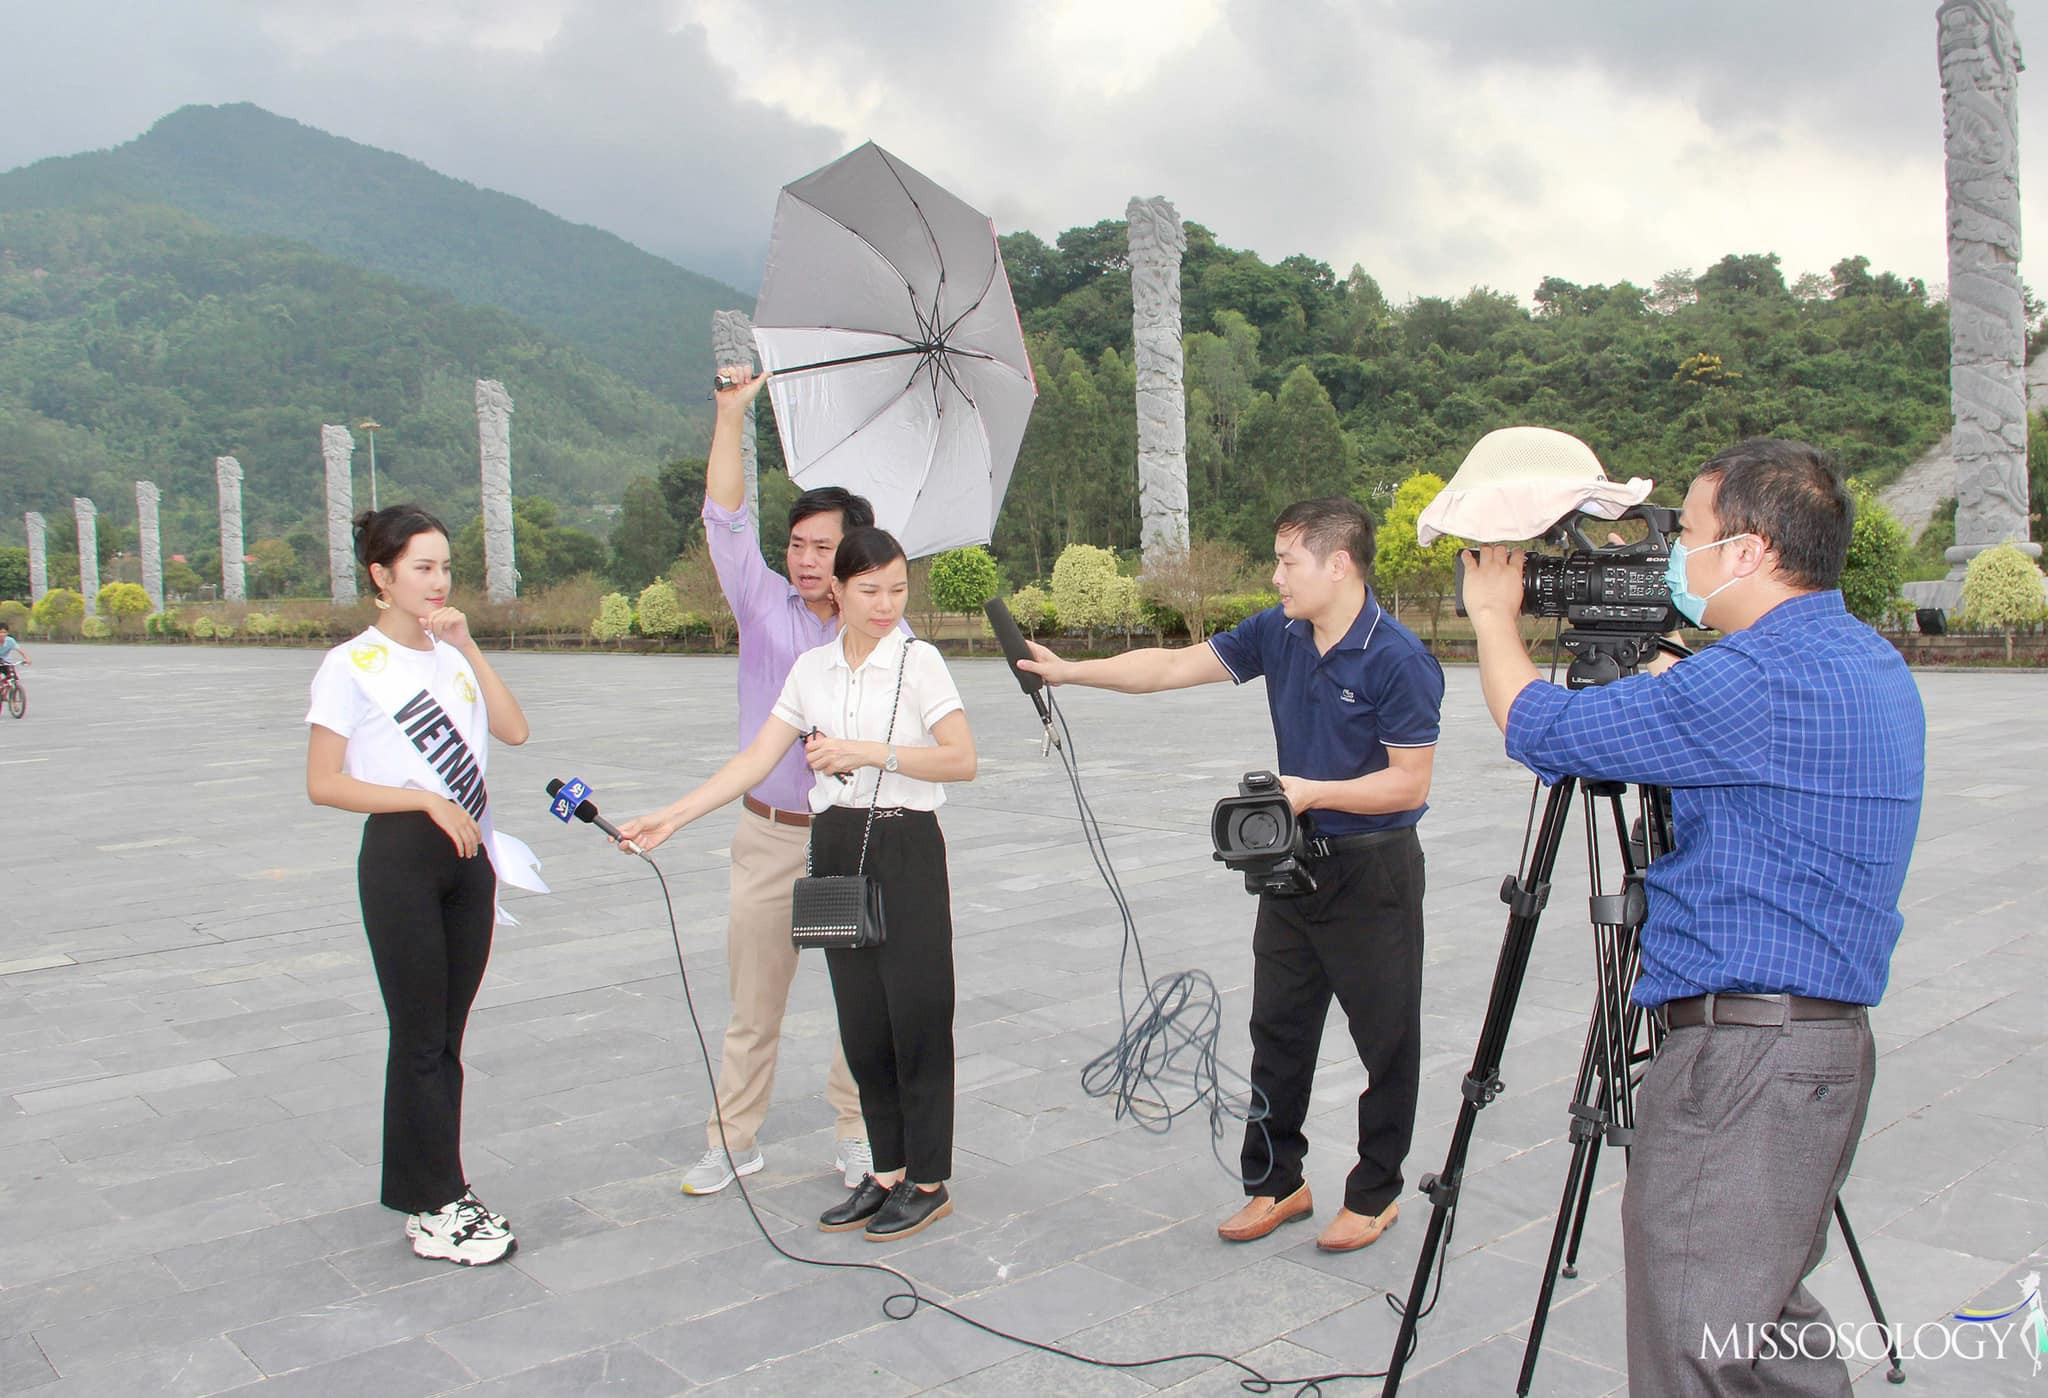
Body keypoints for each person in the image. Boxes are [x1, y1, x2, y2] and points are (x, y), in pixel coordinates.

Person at [1461, 438, 1926, 1396]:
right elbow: (1729, 729)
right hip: (1817, 1053)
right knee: (1765, 1329)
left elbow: (1542, 731)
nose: (1674, 558)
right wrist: (1668, 660)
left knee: (1695, 1354)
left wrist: (1492, 618)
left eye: (1691, 535)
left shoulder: (1752, 683)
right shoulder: (1864, 661)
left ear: (1750, 553)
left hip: (1742, 1067)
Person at [1021, 497, 1444, 1253]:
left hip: (1372, 871)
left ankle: (1375, 1191)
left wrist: (1315, 793)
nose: (1274, 576)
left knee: (1387, 1039)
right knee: (1276, 1033)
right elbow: (1171, 666)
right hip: (1289, 867)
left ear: (1338, 563)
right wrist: (1070, 671)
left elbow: (1409, 785)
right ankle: (1277, 1184)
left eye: (1287, 561)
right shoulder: (1277, 633)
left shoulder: (1398, 658)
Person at [622, 527, 977, 1242]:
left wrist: (866, 751)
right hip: (837, 840)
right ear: (837, 590)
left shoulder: (919, 662)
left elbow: (962, 759)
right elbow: (755, 759)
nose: (885, 604)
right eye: (870, 590)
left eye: (898, 589)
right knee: (861, 1015)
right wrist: (673, 816)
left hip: (905, 843)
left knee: (916, 1010)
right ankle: (885, 1171)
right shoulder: (812, 671)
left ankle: (929, 1179)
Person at [305, 505, 545, 1266]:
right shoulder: (352, 665)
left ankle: (438, 1192)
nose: (439, 581)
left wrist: (469, 645)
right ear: (381, 576)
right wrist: (423, 798)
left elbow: (514, 731)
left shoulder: (450, 655)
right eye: (422, 568)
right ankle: (437, 1199)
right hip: (404, 854)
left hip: (469, 859)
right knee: (418, 1036)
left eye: (445, 567)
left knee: (448, 1036)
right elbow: (323, 784)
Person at [679, 362, 876, 1197]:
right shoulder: (762, 607)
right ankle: (735, 1140)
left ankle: (861, 1135)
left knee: (856, 1001)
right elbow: (724, 520)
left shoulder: (877, 631)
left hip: (844, 839)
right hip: (768, 837)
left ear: (854, 555)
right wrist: (731, 416)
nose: (803, 560)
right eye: (796, 544)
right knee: (753, 1006)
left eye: (822, 548)